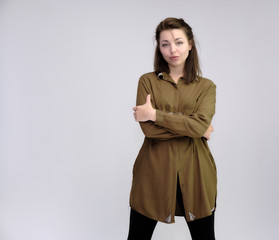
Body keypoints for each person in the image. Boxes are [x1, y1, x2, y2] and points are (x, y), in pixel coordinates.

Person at [128, 17, 217, 240]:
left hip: (197, 173)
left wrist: (154, 114)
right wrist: (195, 128)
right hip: (152, 173)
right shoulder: (147, 81)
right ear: (159, 47)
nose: (172, 50)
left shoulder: (206, 87)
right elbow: (150, 131)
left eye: (178, 42)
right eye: (165, 43)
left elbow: (198, 125)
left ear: (190, 44)